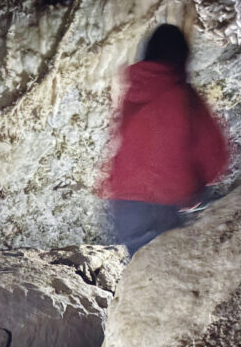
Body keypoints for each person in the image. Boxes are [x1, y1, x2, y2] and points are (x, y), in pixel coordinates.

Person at [98, 23, 231, 255]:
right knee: (170, 273)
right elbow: (215, 155)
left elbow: (122, 142)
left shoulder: (132, 91)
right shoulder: (181, 94)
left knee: (142, 266)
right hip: (162, 204)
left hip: (123, 204)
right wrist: (197, 188)